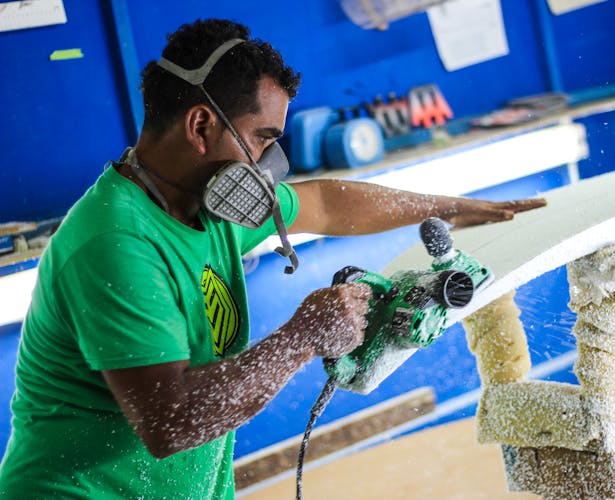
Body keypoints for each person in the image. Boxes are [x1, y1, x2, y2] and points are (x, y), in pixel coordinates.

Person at [0, 18, 546, 498]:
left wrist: (450, 207)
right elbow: (172, 420)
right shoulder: (116, 246)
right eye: (262, 139)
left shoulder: (201, 204)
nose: (269, 162)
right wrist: (302, 336)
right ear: (200, 126)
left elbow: (327, 204)